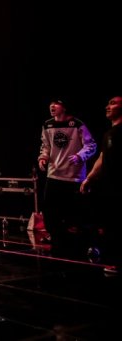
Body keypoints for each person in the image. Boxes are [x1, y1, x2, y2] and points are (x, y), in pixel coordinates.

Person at [37, 98, 97, 256]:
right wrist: (43, 158)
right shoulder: (47, 125)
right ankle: (57, 239)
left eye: (56, 104)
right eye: (50, 104)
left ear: (64, 107)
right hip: (54, 175)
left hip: (73, 177)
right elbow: (46, 146)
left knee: (74, 213)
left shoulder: (77, 124)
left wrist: (80, 156)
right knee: (50, 211)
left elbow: (91, 145)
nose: (52, 106)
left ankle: (79, 244)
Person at [80, 95, 121, 276]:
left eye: (113, 103)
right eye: (108, 103)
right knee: (112, 224)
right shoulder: (108, 134)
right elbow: (102, 158)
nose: (107, 106)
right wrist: (89, 178)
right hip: (111, 188)